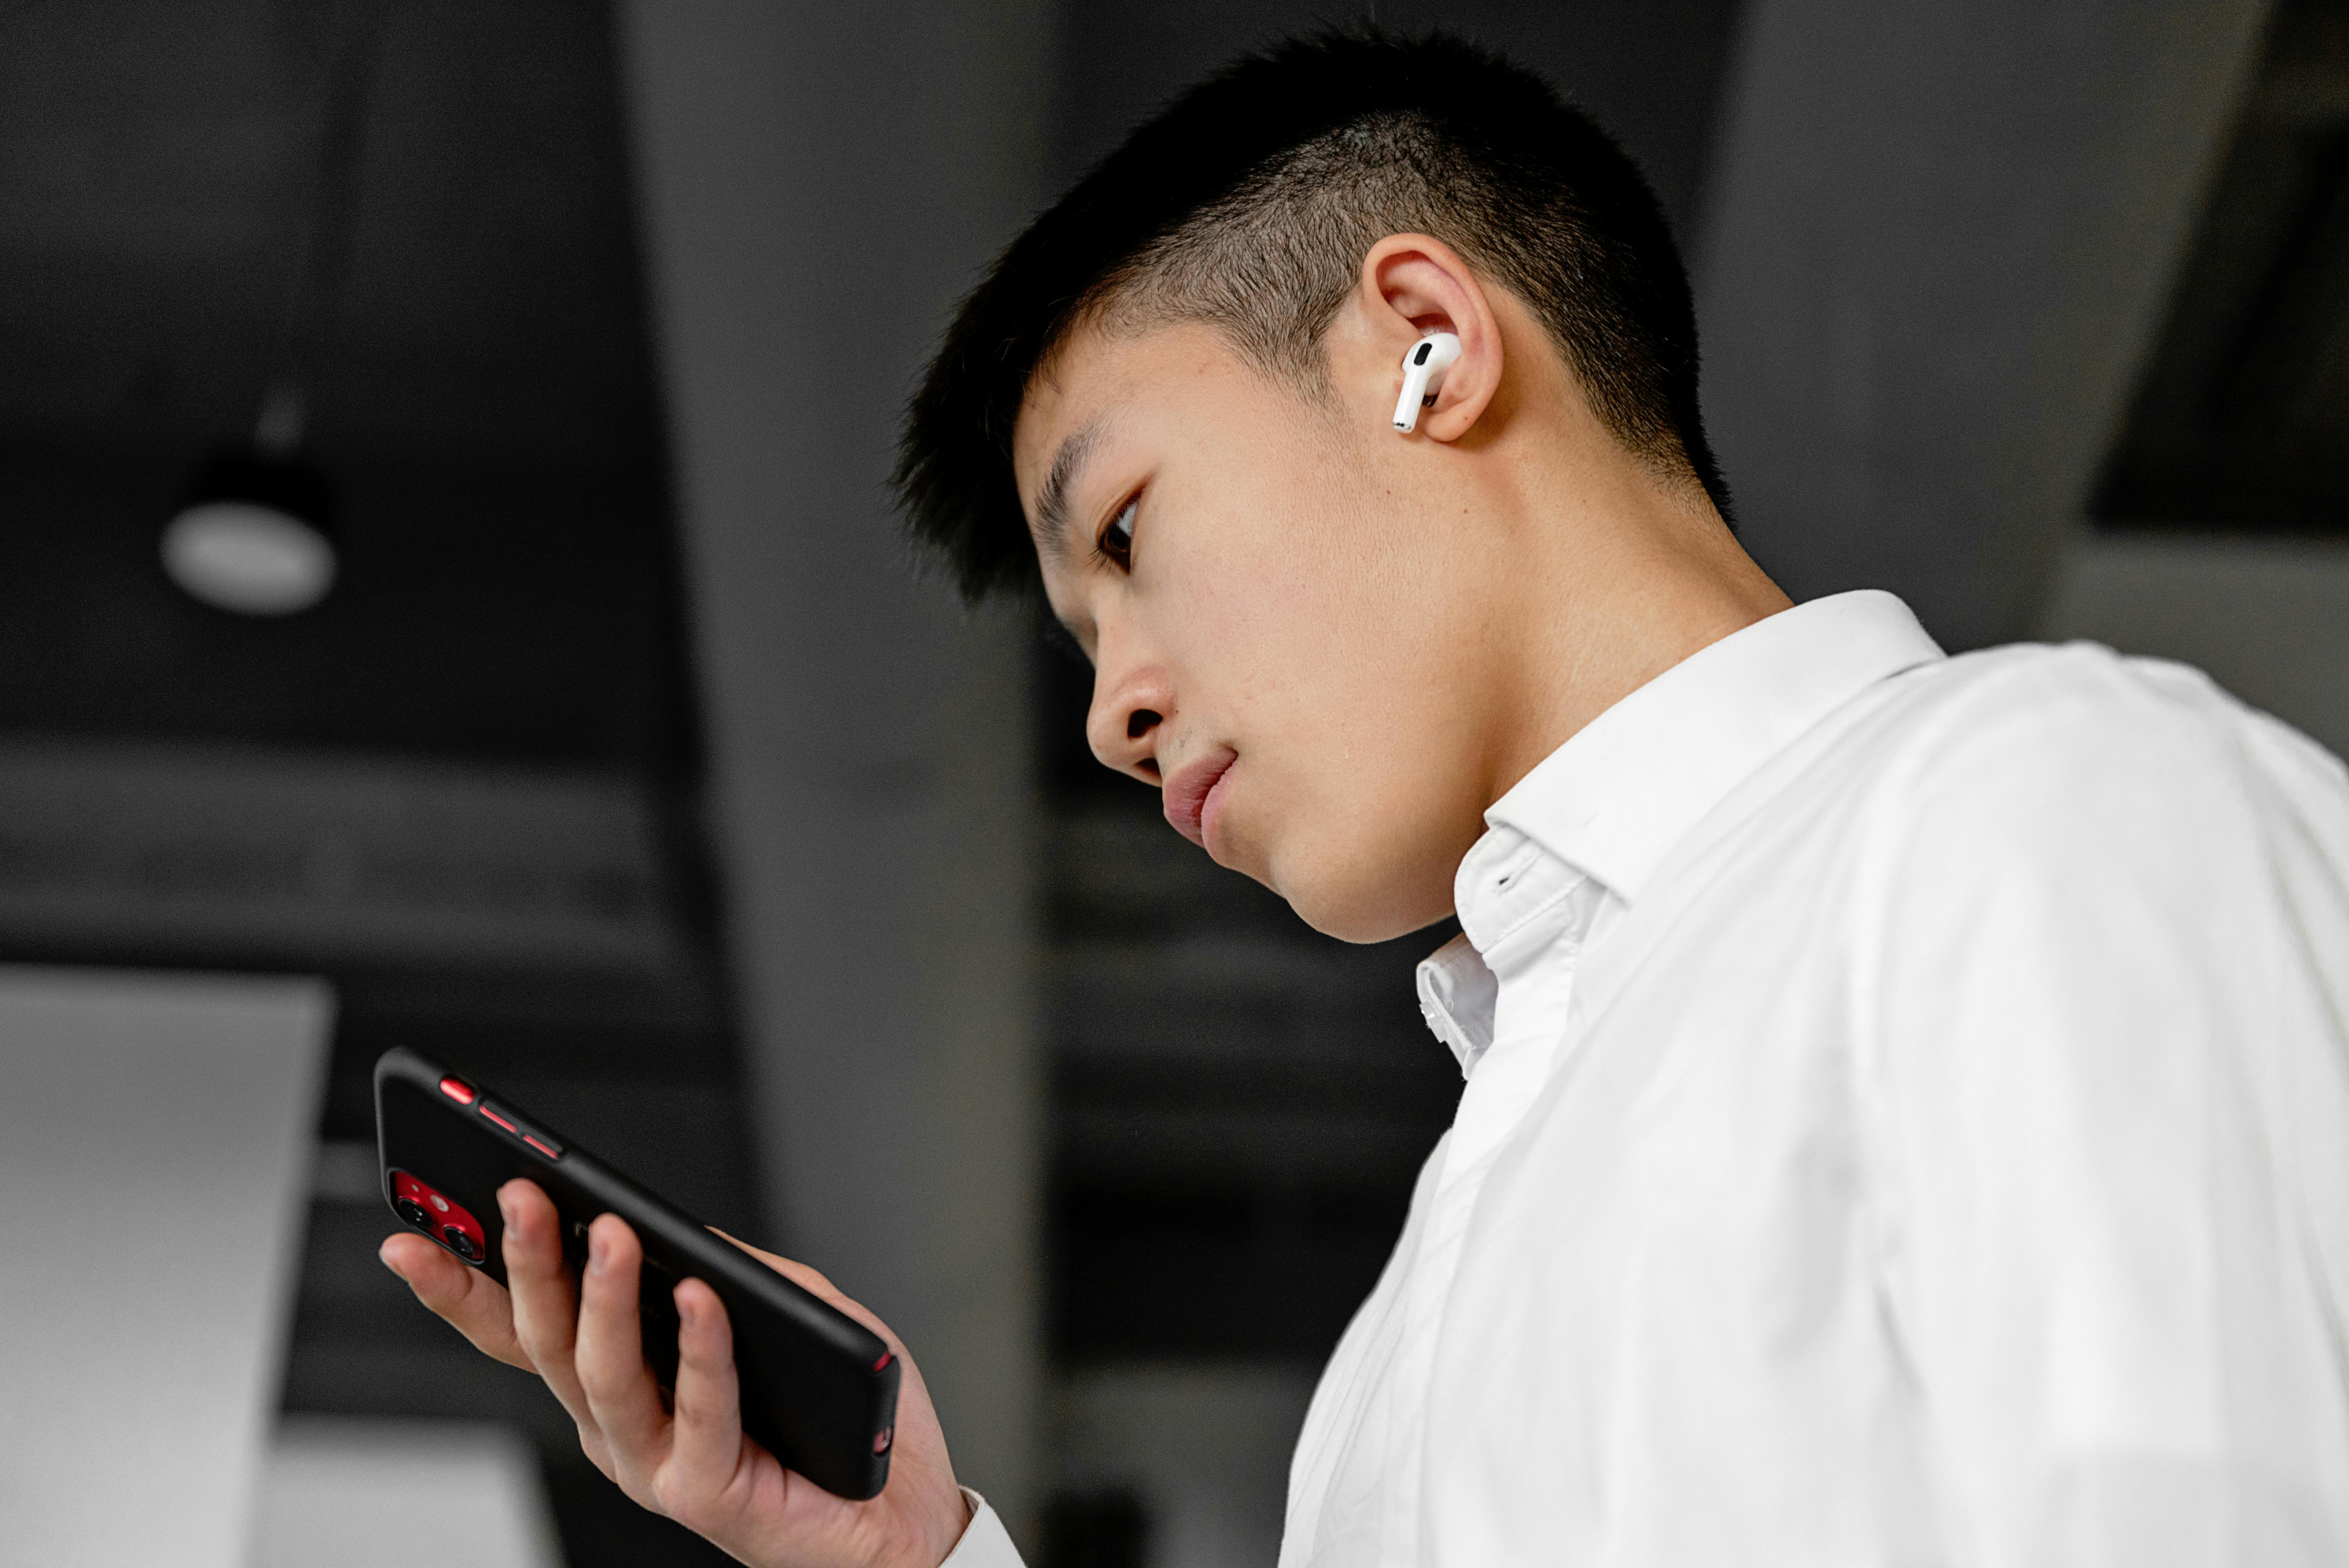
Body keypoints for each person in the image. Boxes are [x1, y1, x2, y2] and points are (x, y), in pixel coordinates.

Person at [382, 29, 2349, 1568]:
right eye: (1078, 640)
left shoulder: (2037, 811)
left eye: (1130, 536)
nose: (1110, 715)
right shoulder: (1423, 1310)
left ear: (1423, 344)